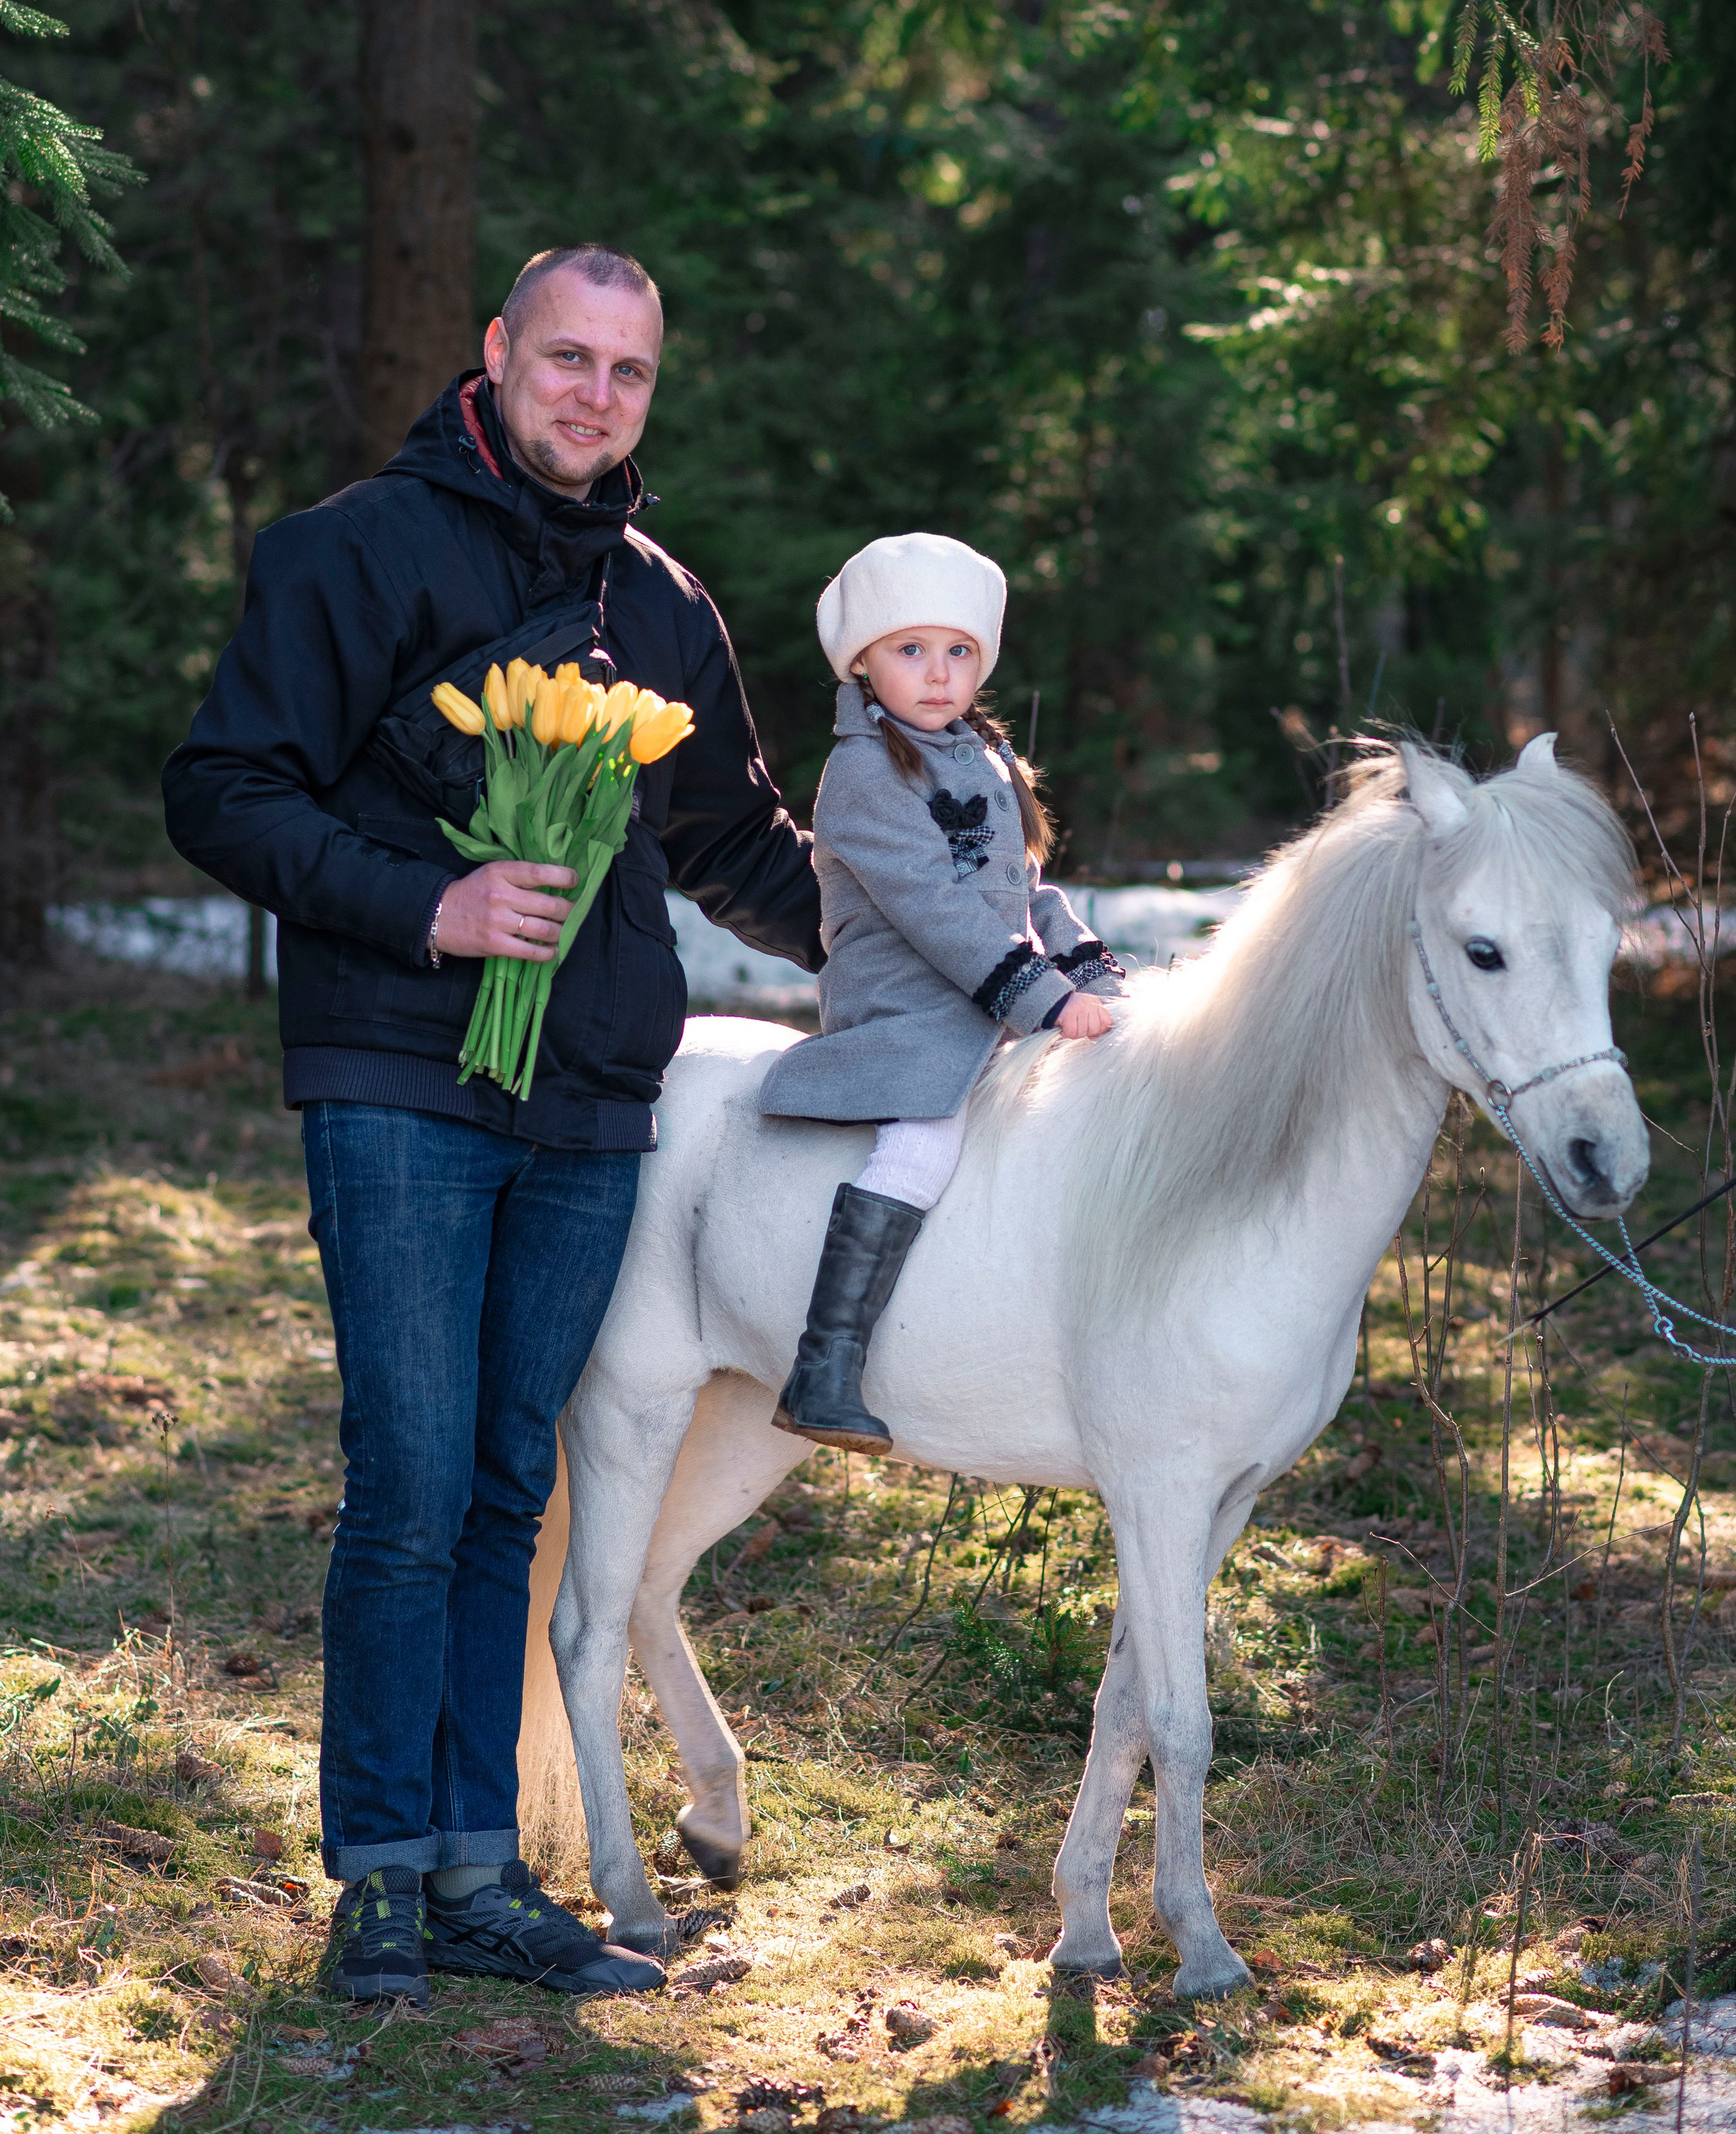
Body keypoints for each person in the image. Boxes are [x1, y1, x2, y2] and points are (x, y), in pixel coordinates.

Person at [162, 246, 823, 2007]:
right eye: (566, 358)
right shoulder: (357, 547)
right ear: (495, 356)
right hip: (399, 1080)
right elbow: (220, 788)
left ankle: (476, 1868)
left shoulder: (663, 600)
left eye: (627, 371)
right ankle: (378, 1872)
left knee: (504, 1486)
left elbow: (742, 844)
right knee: (407, 1483)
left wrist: (970, 949)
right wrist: (424, 908)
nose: (593, 394)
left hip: (591, 1101)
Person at [758, 532, 1126, 1451]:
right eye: (910, 650)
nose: (937, 674)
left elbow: (1026, 890)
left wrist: (1091, 970)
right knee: (923, 1148)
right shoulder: (863, 774)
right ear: (863, 663)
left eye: (959, 652)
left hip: (990, 994)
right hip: (909, 1008)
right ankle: (826, 1362)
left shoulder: (983, 760)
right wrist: (1042, 997)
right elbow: (938, 911)